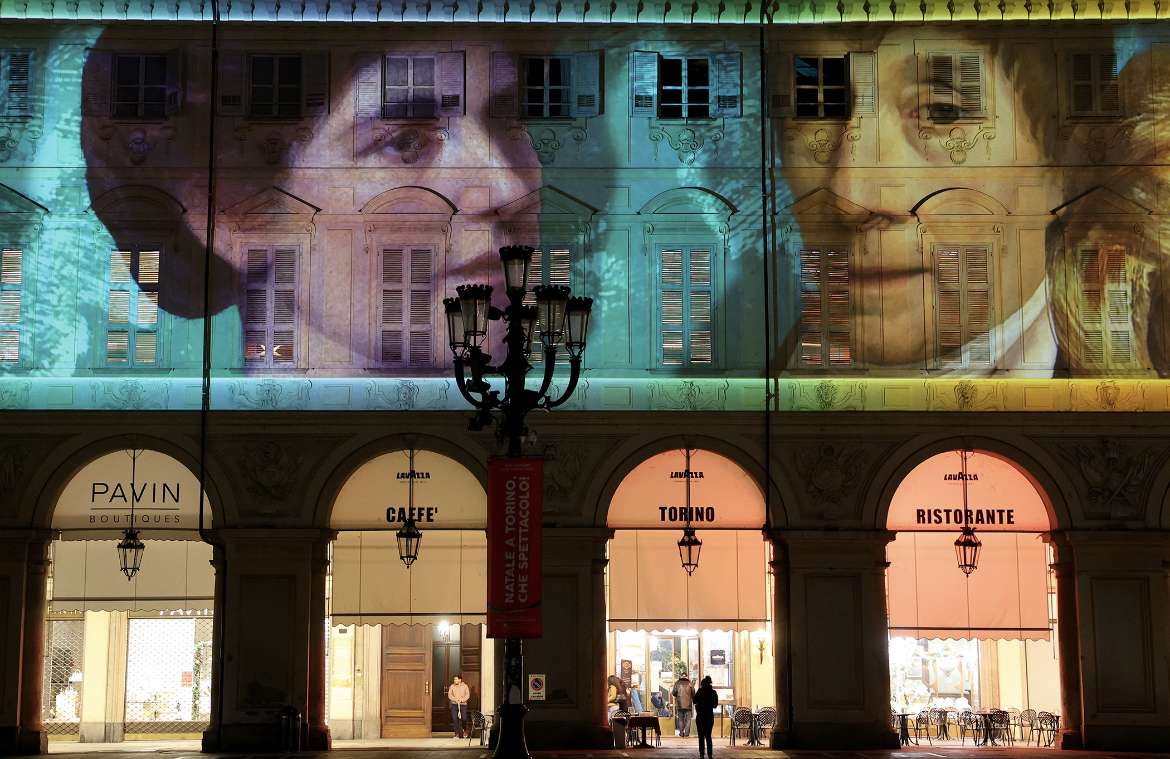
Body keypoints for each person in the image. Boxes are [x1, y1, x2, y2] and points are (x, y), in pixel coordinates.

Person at [693, 675, 718, 758]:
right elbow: (715, 705)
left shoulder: (700, 691)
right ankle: (710, 754)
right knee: (708, 736)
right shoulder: (713, 692)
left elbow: (694, 700)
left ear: (702, 684)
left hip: (700, 716)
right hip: (709, 716)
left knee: (701, 736)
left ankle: (701, 754)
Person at [671, 672, 695, 738]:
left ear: (681, 676)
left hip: (680, 705)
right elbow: (693, 693)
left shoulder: (677, 683)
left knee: (680, 719)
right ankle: (687, 734)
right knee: (688, 720)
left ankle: (681, 733)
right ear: (686, 676)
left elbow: (673, 693)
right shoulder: (690, 683)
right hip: (688, 705)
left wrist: (678, 696)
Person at [447, 674, 470, 739]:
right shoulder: (452, 686)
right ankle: (456, 734)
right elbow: (449, 695)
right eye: (454, 679)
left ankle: (465, 730)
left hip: (463, 705)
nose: (455, 680)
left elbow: (467, 695)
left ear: (460, 680)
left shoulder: (465, 686)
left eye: (456, 679)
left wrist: (462, 700)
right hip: (454, 705)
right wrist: (455, 700)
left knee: (464, 718)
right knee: (455, 719)